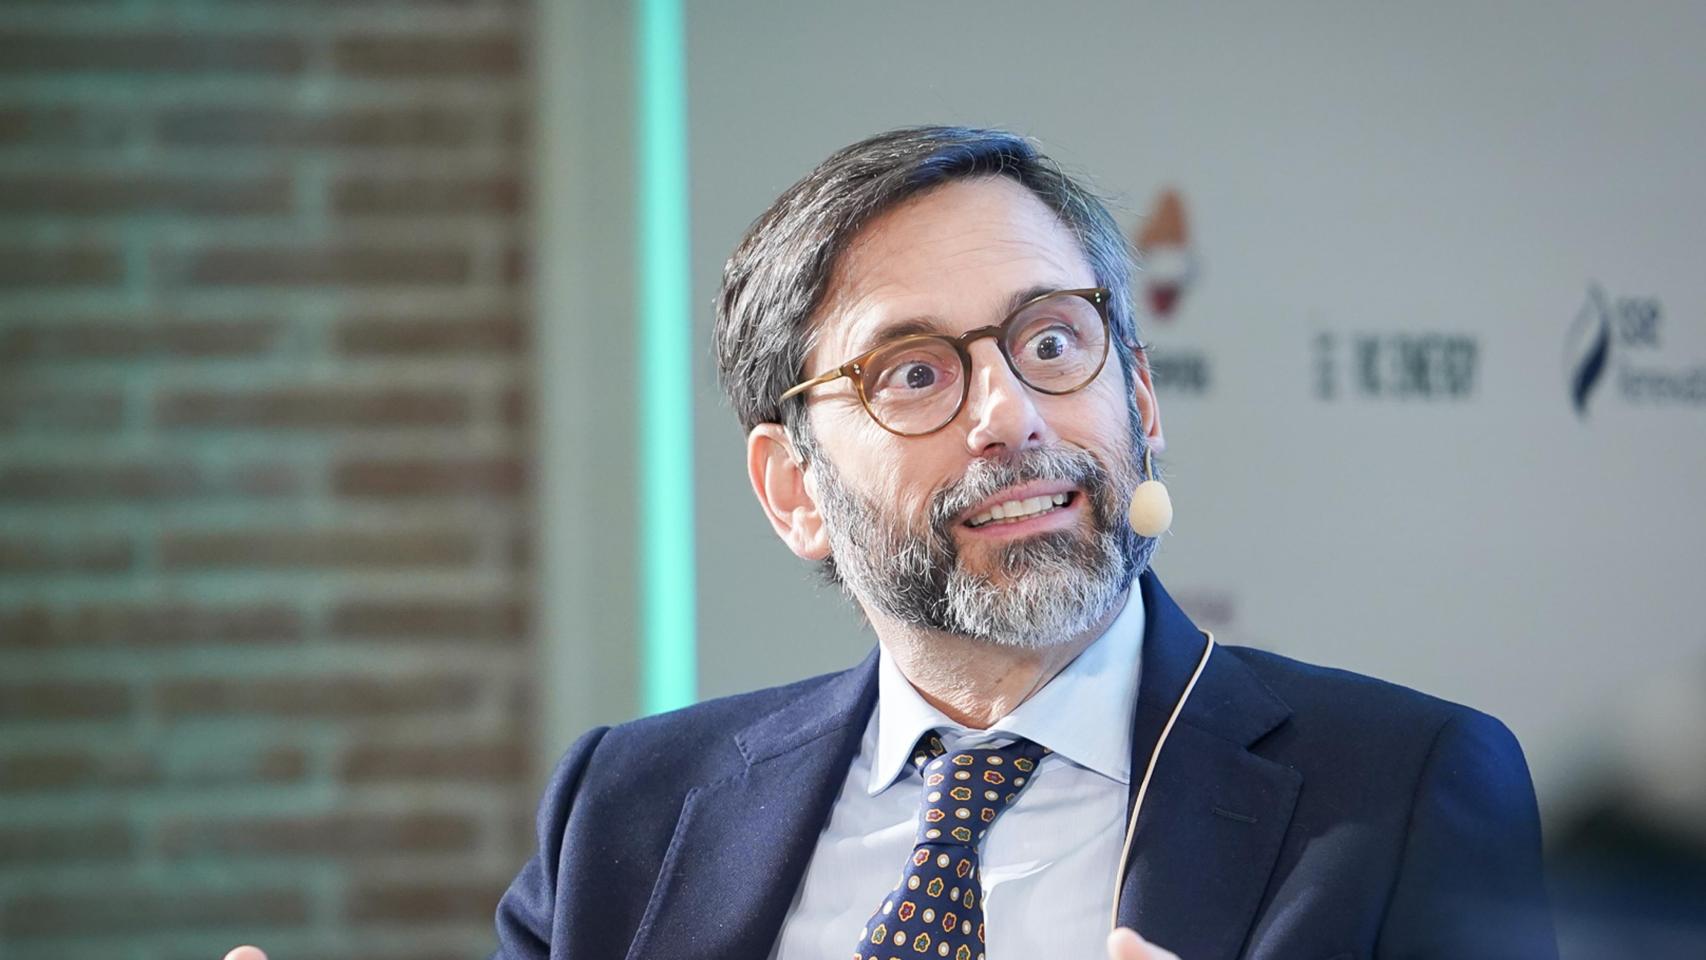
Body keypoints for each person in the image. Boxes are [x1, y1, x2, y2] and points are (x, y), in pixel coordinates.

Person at [227, 127, 1555, 960]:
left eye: (1050, 341)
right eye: (913, 375)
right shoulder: (631, 809)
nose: (1008, 415)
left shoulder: (1400, 793)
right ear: (790, 487)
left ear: (1137, 398)